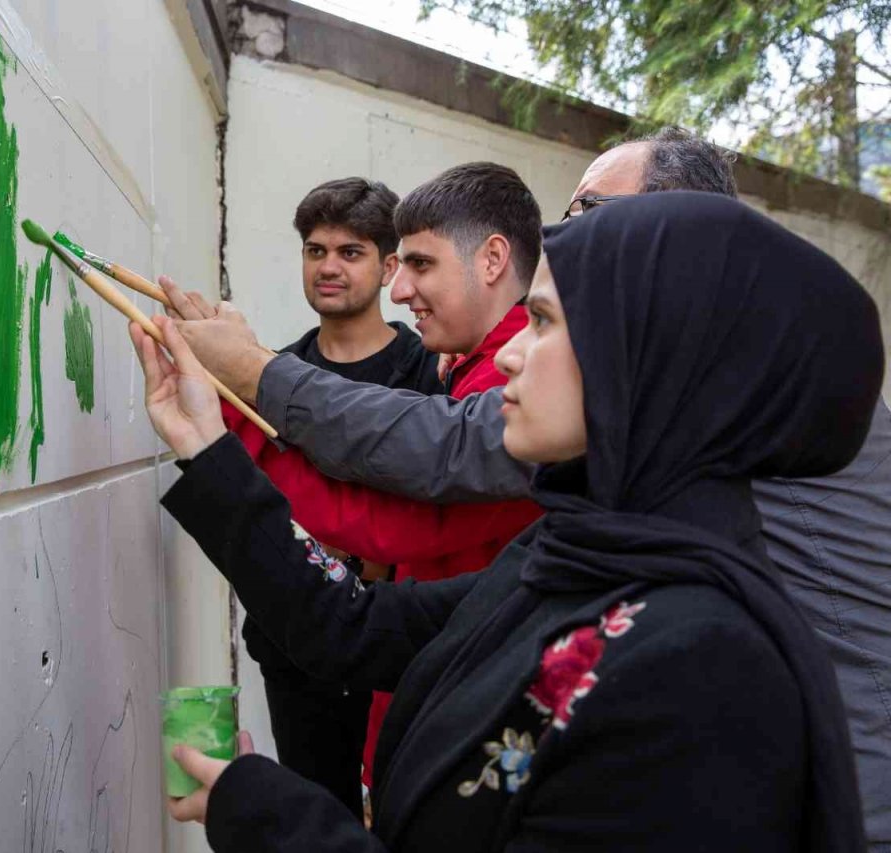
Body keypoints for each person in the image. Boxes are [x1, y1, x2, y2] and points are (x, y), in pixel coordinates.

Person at [173, 128, 891, 846]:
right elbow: (361, 627)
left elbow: (438, 451)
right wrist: (210, 444)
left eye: (546, 317)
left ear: (667, 305)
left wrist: (252, 375)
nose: (514, 348)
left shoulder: (694, 662)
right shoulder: (586, 544)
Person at [163, 162, 545, 795]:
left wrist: (235, 406)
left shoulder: (492, 381)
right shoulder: (470, 367)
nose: (401, 289)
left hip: (427, 673)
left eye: (551, 323)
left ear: (492, 260)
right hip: (378, 657)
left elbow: (395, 517)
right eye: (315, 251)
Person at [214, 176, 441, 819]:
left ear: (389, 264)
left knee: (407, 810)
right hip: (298, 644)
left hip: (404, 637)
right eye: (316, 251)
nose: (330, 267)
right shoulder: (266, 375)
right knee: (318, 812)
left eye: (351, 251)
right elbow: (252, 508)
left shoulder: (432, 371)